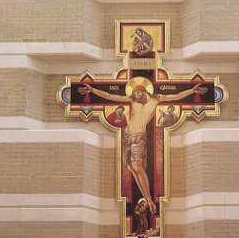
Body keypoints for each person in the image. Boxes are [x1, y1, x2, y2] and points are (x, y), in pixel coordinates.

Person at [80, 80, 203, 214]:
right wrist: (92, 90)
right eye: (135, 93)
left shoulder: (156, 99)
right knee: (131, 168)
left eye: (138, 92)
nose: (137, 95)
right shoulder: (132, 101)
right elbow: (110, 96)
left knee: (138, 167)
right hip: (127, 137)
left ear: (145, 91)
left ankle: (149, 199)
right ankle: (147, 198)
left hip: (138, 138)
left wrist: (192, 91)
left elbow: (177, 96)